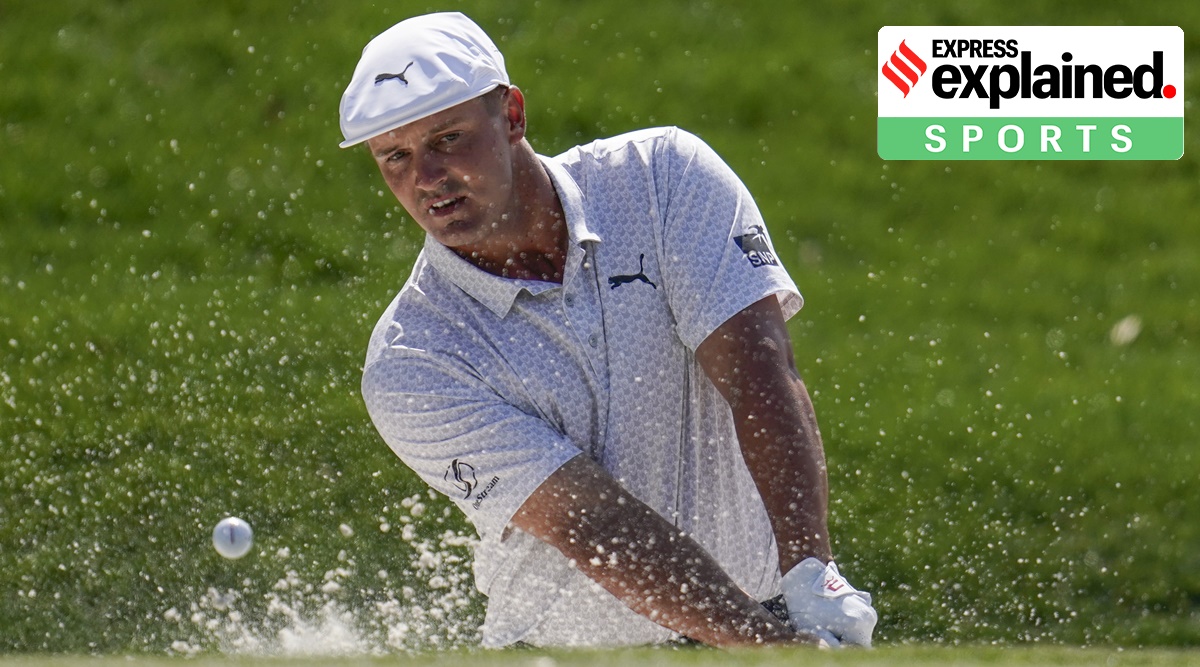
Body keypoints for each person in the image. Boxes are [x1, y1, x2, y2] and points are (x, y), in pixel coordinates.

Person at [340, 12, 877, 649]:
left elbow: (758, 373)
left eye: (448, 139)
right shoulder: (415, 360)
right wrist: (770, 648)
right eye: (394, 156)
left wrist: (812, 576)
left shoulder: (662, 179)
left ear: (511, 115)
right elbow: (593, 522)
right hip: (564, 655)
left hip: (766, 613)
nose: (425, 178)